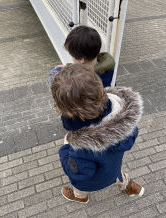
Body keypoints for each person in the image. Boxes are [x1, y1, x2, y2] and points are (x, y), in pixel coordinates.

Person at [51, 64, 144, 204]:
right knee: (117, 175)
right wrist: (73, 74)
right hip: (113, 168)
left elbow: (79, 174)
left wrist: (64, 149)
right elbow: (98, 79)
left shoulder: (81, 147)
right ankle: (130, 187)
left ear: (69, 112)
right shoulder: (120, 110)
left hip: (96, 180)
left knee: (79, 185)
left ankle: (80, 197)